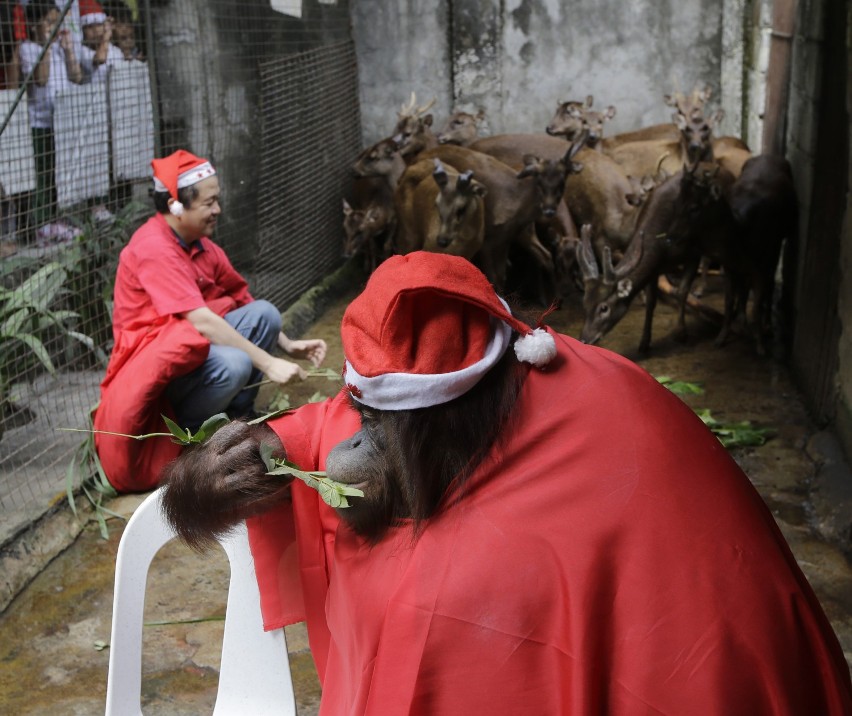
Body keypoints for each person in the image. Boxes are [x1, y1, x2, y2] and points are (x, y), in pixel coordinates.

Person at [161, 251, 852, 715]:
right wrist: (205, 480)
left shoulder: (602, 428)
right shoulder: (456, 403)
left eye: (373, 426)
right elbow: (334, 423)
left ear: (440, 419)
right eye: (364, 415)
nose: (354, 441)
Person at [93, 149, 327, 493]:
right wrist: (268, 363)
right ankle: (191, 439)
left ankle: (236, 421)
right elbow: (201, 321)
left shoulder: (198, 243)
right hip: (161, 368)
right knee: (234, 363)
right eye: (209, 202)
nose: (217, 210)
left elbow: (241, 297)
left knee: (265, 314)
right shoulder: (154, 248)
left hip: (193, 352)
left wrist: (288, 345)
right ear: (176, 206)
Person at [18, 0, 84, 244]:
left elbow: (77, 76)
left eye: (56, 22)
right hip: (39, 122)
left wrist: (67, 50)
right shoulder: (28, 49)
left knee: (59, 172)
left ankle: (56, 219)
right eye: (48, 22)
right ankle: (39, 225)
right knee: (41, 175)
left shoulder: (58, 48)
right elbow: (42, 79)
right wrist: (46, 46)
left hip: (62, 122)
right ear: (35, 25)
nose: (53, 28)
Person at [78, 0, 121, 82]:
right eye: (90, 27)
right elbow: (100, 59)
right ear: (83, 31)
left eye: (99, 24)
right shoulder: (83, 51)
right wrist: (106, 36)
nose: (96, 30)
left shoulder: (116, 51)